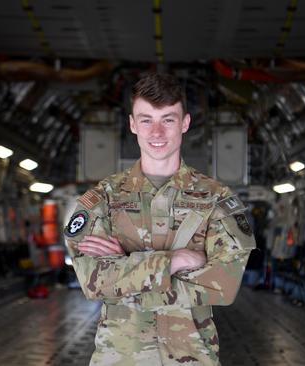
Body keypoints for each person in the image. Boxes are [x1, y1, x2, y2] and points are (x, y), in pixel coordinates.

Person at [64, 72, 256, 365]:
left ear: (185, 123)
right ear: (132, 124)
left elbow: (223, 286)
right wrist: (177, 261)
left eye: (168, 119)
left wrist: (127, 270)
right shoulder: (102, 199)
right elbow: (94, 283)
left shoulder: (216, 199)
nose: (156, 133)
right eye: (146, 120)